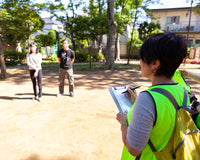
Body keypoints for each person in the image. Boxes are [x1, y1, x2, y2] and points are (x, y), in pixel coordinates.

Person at [116, 32, 189, 159]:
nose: (140, 62)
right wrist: (137, 103)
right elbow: (161, 119)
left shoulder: (148, 99)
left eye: (142, 57)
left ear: (155, 63)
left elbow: (133, 149)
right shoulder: (182, 91)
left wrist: (123, 122)